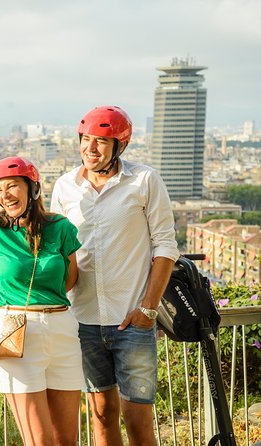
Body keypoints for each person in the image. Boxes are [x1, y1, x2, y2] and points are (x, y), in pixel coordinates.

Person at [50, 105, 180, 446]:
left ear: (119, 146)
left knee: (138, 421)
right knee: (102, 417)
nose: (90, 149)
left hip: (132, 321)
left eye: (101, 142)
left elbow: (165, 247)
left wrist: (148, 308)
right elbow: (56, 252)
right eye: (86, 140)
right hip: (84, 321)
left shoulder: (144, 181)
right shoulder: (65, 187)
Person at [0, 156, 83, 446]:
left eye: (12, 186)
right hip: (13, 329)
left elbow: (71, 278)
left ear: (32, 188)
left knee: (67, 440)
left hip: (62, 328)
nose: (5, 195)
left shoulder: (60, 227)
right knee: (39, 441)